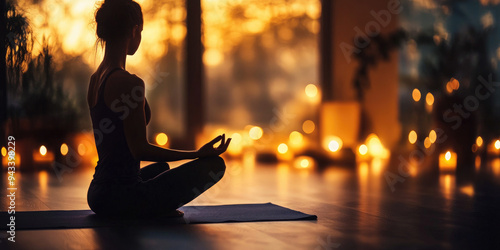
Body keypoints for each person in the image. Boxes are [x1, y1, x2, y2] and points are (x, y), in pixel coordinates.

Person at [86, 0, 231, 218]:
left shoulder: (95, 80)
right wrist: (196, 154)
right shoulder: (129, 83)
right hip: (121, 197)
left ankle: (150, 204)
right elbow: (140, 149)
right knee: (214, 165)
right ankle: (149, 208)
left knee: (161, 168)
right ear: (135, 31)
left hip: (98, 193)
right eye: (141, 31)